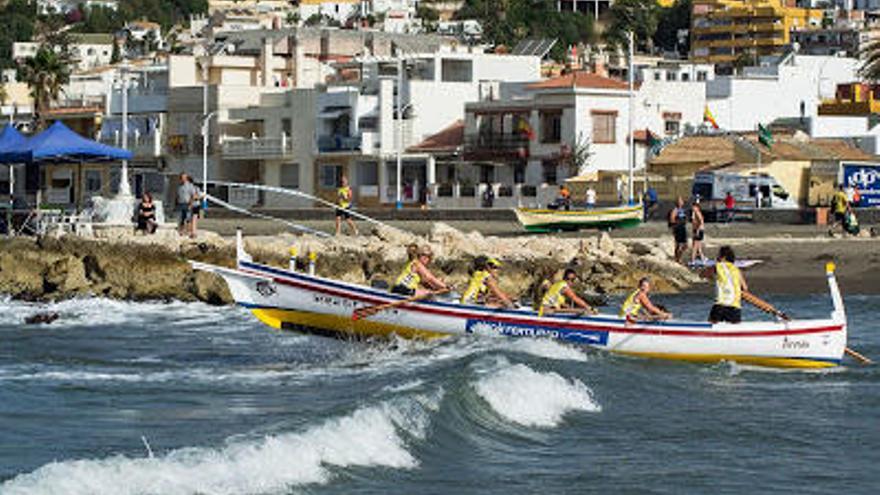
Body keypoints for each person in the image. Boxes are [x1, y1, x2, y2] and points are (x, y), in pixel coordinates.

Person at [704, 246, 748, 324]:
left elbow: (703, 274)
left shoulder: (717, 266)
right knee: (734, 330)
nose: (717, 257)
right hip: (735, 307)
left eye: (718, 255)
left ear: (723, 257)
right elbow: (745, 288)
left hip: (721, 305)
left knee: (711, 325)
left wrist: (715, 264)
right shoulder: (737, 270)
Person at [667, 196, 688, 263]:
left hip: (682, 228)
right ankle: (677, 258)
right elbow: (672, 219)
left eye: (682, 201)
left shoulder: (682, 210)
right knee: (678, 244)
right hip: (678, 228)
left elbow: (684, 218)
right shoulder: (675, 210)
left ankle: (678, 257)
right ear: (677, 202)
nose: (682, 202)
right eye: (680, 201)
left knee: (685, 245)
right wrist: (675, 226)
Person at [176, 173, 198, 238]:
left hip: (188, 204)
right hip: (181, 204)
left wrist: (190, 203)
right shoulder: (179, 186)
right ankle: (181, 231)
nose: (182, 179)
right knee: (181, 219)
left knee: (188, 218)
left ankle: (189, 232)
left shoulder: (190, 186)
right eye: (181, 178)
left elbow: (193, 195)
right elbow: (178, 196)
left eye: (184, 177)